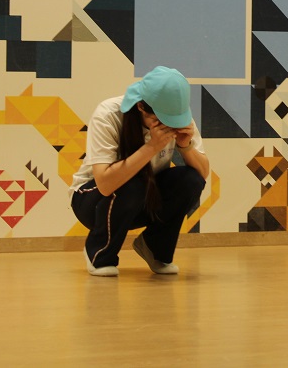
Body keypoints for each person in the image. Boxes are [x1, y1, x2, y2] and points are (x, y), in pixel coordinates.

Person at [70, 66, 210, 276]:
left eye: (173, 120)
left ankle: (155, 249)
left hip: (143, 196)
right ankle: (100, 254)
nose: (169, 125)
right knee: (133, 182)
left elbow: (202, 174)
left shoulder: (179, 117)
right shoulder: (108, 114)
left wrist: (185, 145)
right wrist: (152, 147)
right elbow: (105, 184)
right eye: (161, 120)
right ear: (141, 107)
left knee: (190, 180)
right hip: (92, 200)